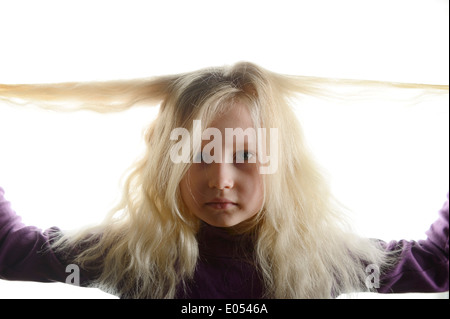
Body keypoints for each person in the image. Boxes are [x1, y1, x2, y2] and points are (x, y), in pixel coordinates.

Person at [0, 62, 448, 298]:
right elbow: (10, 253)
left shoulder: (325, 259)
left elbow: (437, 267)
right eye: (198, 155)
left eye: (246, 156)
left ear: (283, 164)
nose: (221, 180)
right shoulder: (128, 257)